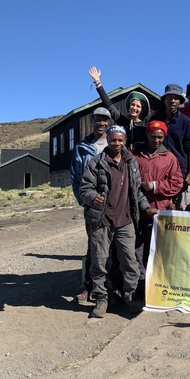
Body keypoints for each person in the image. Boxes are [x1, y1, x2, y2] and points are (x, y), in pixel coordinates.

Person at [79, 125, 158, 318]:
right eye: (113, 140)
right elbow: (84, 188)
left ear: (125, 141)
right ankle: (101, 298)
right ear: (108, 139)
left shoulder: (131, 162)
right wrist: (92, 197)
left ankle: (130, 296)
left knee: (129, 261)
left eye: (120, 140)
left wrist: (146, 208)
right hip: (101, 220)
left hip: (126, 220)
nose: (117, 143)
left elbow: (137, 190)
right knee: (99, 261)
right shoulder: (96, 163)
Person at [133, 120, 183, 289]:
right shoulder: (136, 155)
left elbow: (177, 183)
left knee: (158, 250)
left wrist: (155, 186)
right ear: (147, 135)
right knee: (137, 249)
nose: (157, 140)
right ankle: (140, 283)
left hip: (159, 211)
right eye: (153, 136)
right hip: (138, 212)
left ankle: (158, 283)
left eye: (160, 137)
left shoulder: (169, 158)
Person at [70, 106, 111, 302]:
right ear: (92, 121)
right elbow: (75, 176)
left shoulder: (115, 143)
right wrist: (83, 200)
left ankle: (109, 286)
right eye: (98, 119)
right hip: (92, 204)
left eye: (104, 120)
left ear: (108, 122)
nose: (101, 123)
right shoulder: (82, 146)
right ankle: (87, 285)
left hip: (113, 204)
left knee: (112, 246)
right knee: (92, 245)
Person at [151, 83, 190, 209]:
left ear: (180, 101)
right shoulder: (155, 118)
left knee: (181, 211)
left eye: (176, 98)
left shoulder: (186, 121)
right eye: (169, 97)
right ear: (164, 99)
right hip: (158, 173)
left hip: (180, 174)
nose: (172, 101)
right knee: (159, 210)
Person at [89, 67, 151, 148]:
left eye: (138, 106)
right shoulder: (123, 121)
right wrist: (98, 83)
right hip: (125, 159)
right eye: (132, 104)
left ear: (142, 110)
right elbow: (109, 105)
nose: (134, 108)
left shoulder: (147, 123)